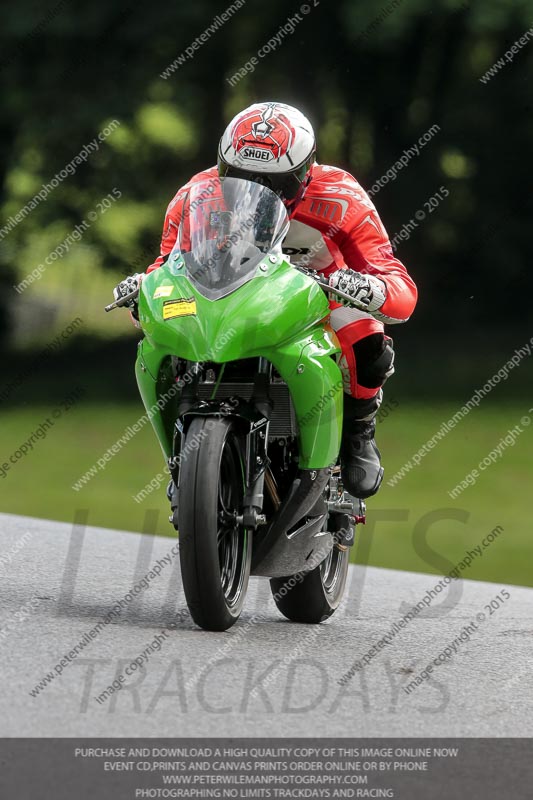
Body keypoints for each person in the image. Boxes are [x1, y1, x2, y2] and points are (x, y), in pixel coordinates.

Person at [114, 101, 417, 499]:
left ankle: (359, 430)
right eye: (240, 177)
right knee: (162, 342)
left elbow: (396, 282)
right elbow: (167, 264)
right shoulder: (195, 194)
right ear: (222, 166)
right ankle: (181, 455)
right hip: (230, 293)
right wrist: (144, 290)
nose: (256, 190)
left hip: (320, 295)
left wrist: (370, 289)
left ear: (305, 173)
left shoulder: (343, 198)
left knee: (367, 342)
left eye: (275, 181)